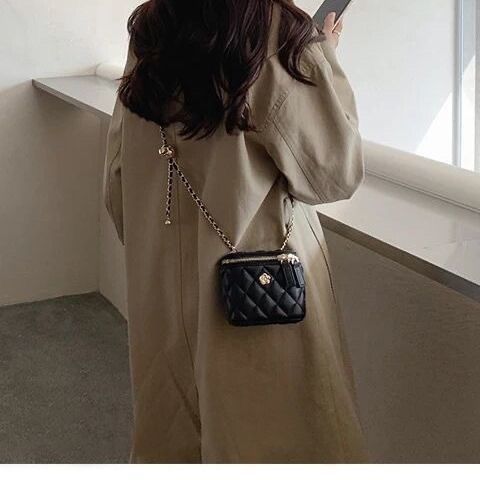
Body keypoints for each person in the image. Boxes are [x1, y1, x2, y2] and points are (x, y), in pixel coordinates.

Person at [104, 0, 367, 463]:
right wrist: (324, 55)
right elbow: (336, 172)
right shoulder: (278, 31)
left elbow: (118, 179)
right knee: (274, 439)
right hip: (258, 296)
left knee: (175, 440)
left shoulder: (153, 27)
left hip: (163, 289)